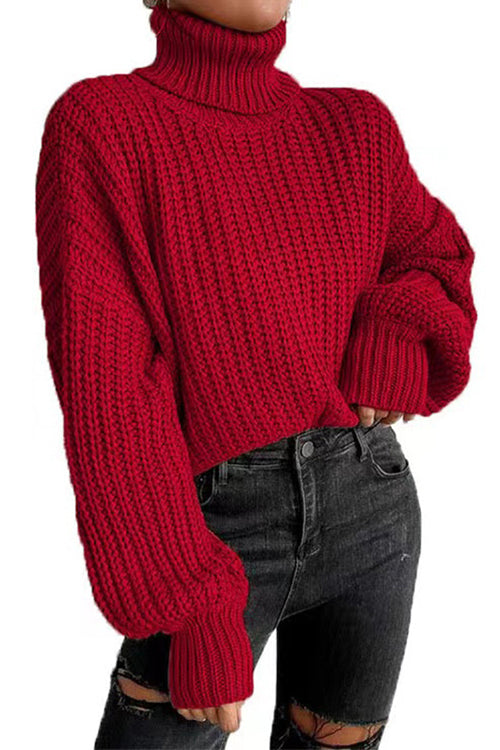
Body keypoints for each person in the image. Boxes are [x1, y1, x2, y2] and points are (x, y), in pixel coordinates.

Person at [34, 0, 477, 747]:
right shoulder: (105, 124)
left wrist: (394, 332)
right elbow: (109, 391)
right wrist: (187, 594)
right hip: (208, 529)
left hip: (371, 505)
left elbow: (436, 255)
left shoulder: (356, 127)